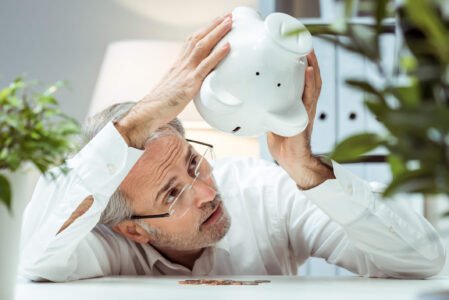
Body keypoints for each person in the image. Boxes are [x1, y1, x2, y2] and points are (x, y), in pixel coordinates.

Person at [19, 13, 445, 282]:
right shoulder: (106, 242)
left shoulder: (263, 193)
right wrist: (131, 126)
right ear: (134, 229)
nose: (206, 192)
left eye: (193, 163)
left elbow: (421, 261)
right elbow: (36, 261)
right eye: (171, 194)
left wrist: (307, 170)